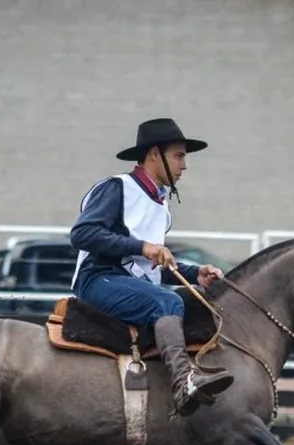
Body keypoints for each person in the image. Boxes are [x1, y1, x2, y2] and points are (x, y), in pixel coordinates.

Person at [68, 118, 234, 416]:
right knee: (167, 301)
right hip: (98, 280)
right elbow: (82, 234)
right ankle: (184, 385)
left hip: (132, 286)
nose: (185, 166)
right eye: (179, 156)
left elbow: (151, 264)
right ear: (155, 154)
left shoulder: (161, 205)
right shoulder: (117, 188)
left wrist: (196, 273)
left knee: (201, 305)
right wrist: (142, 246)